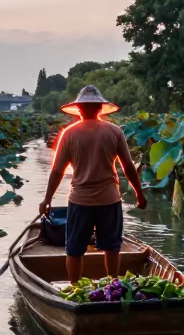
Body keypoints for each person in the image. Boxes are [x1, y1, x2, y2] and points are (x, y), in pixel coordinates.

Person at [39, 85, 146, 281]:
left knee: (74, 249)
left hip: (81, 201)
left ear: (79, 109)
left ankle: (74, 286)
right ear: (100, 109)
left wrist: (47, 199)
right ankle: (112, 285)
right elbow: (128, 166)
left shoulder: (69, 133)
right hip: (109, 199)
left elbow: (57, 171)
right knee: (112, 247)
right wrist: (139, 193)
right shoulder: (115, 131)